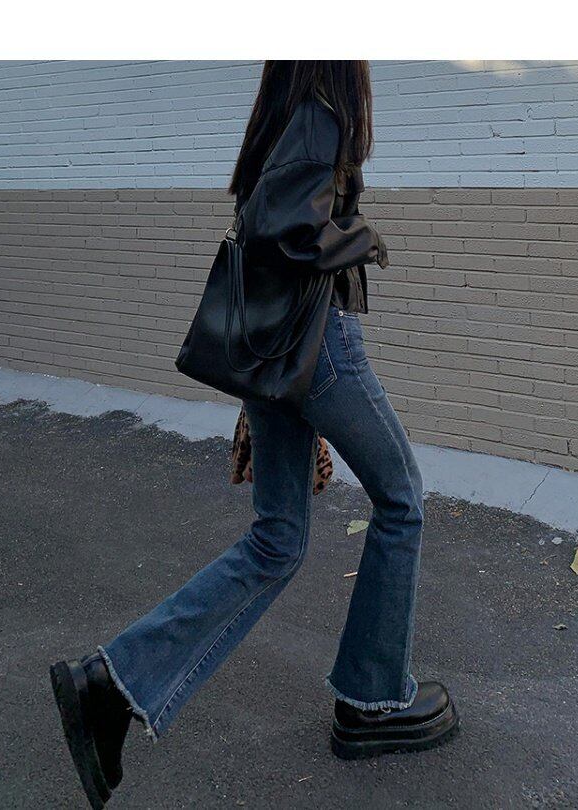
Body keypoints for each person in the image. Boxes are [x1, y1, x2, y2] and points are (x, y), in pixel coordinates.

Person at [49, 60, 459, 809]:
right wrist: (361, 239)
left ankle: (112, 682)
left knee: (278, 538)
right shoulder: (322, 107)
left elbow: (262, 220)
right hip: (318, 345)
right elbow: (284, 226)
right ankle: (372, 701)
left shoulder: (282, 109)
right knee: (401, 499)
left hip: (277, 348)